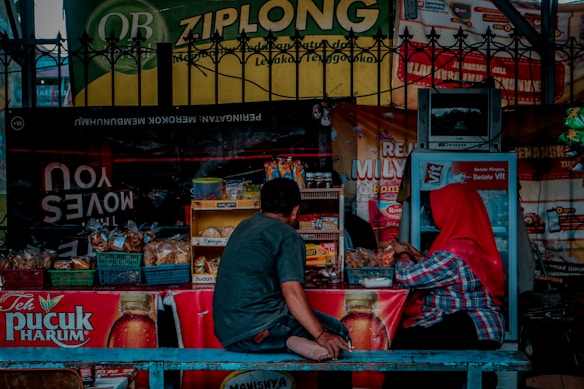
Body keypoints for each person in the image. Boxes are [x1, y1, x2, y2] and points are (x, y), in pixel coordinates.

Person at [213, 177, 352, 387]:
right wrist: (322, 334)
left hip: (228, 332)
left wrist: (299, 278)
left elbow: (258, 275)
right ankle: (290, 339)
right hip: (258, 328)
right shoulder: (287, 235)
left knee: (295, 326)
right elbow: (291, 291)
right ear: (295, 210)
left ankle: (289, 340)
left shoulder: (245, 226)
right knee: (337, 333)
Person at [382, 183, 506, 389]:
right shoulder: (471, 244)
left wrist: (401, 252)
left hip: (469, 327)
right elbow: (452, 274)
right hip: (482, 325)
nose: (432, 215)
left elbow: (406, 276)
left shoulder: (455, 251)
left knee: (405, 346)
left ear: (452, 209)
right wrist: (418, 256)